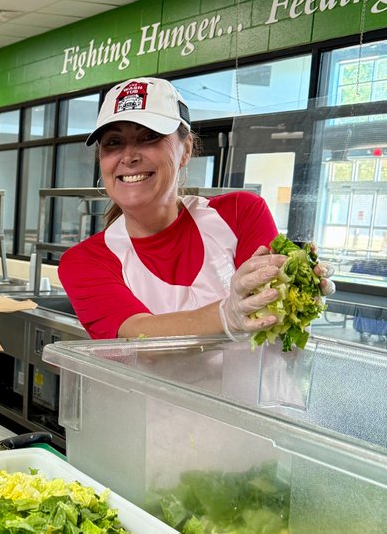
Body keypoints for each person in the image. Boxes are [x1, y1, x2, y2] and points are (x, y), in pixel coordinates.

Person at [58, 76, 332, 340]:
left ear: (185, 150)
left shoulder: (239, 214)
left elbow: (275, 307)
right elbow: (138, 336)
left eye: (149, 137)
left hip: (255, 388)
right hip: (152, 390)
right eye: (113, 143)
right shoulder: (85, 262)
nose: (129, 156)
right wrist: (226, 315)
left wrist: (301, 282)